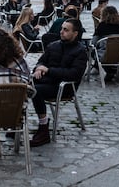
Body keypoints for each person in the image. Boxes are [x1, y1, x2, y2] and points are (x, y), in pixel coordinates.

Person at [30, 18, 87, 147]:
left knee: (36, 91)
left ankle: (43, 129)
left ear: (75, 33)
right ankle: (18, 122)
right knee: (24, 86)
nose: (61, 32)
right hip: (47, 81)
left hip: (64, 87)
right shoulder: (53, 45)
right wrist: (38, 68)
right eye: (62, 29)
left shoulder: (80, 51)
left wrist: (49, 70)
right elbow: (41, 61)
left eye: (66, 30)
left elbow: (74, 74)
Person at [92, 6, 119, 82]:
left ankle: (102, 69)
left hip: (104, 56)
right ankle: (115, 69)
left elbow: (94, 42)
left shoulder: (101, 26)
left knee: (93, 50)